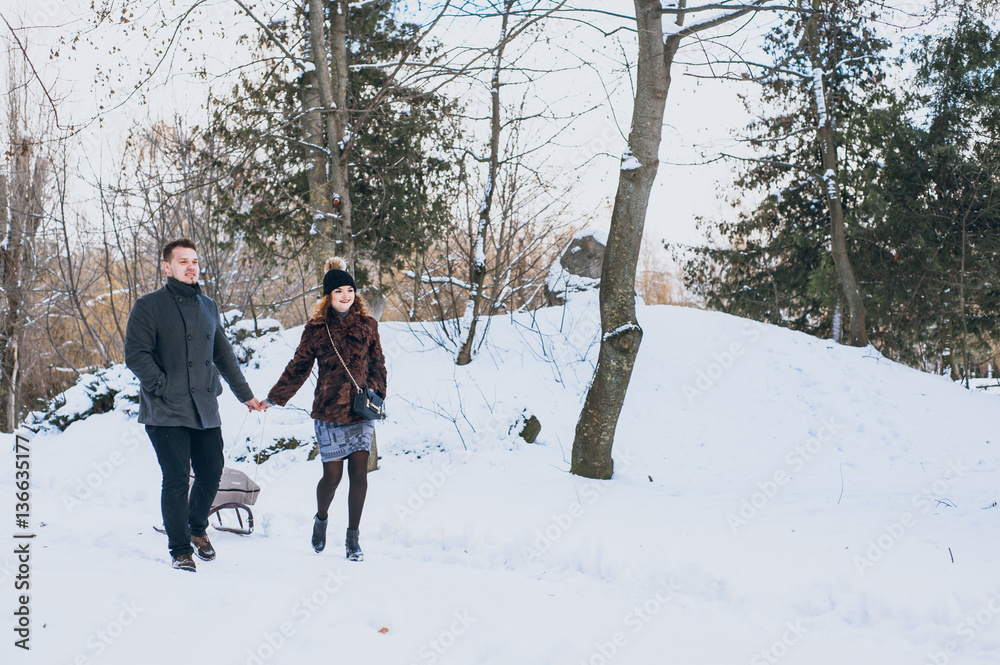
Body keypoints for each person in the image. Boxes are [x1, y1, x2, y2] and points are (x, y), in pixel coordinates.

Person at [125, 238, 262, 572]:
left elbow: (223, 355)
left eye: (194, 262)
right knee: (175, 479)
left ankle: (197, 527)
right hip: (165, 410)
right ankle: (180, 548)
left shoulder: (208, 306)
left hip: (204, 406)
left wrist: (245, 395)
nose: (190, 267)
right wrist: (161, 386)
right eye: (182, 261)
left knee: (211, 471)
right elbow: (135, 354)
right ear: (167, 267)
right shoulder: (149, 306)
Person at [262, 257, 386, 561]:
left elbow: (379, 364)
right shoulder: (316, 329)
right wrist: (274, 398)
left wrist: (375, 391)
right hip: (329, 411)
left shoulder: (368, 325)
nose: (345, 296)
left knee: (360, 473)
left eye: (349, 290)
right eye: (338, 291)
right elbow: (299, 367)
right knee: (332, 477)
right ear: (328, 297)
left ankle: (352, 539)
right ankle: (321, 519)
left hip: (360, 412)